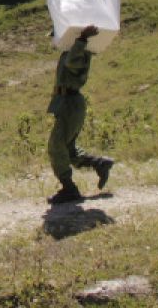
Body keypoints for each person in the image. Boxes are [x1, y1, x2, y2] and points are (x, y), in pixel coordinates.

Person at [47, 25, 114, 204]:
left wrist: (82, 38)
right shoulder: (72, 50)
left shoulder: (80, 52)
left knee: (56, 146)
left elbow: (72, 64)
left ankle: (69, 188)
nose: (54, 41)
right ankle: (99, 163)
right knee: (68, 149)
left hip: (70, 103)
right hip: (66, 103)